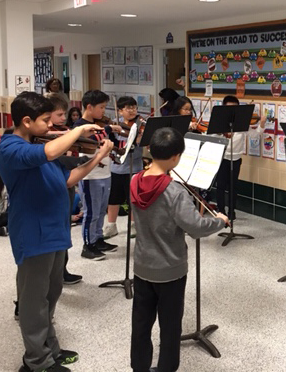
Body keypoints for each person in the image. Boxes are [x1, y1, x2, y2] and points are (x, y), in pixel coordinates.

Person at [0, 91, 113, 372]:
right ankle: (37, 361)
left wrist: (97, 157)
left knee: (52, 292)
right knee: (33, 300)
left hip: (55, 229)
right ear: (25, 121)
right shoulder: (10, 148)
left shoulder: (37, 141)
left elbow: (66, 179)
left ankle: (50, 349)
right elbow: (48, 152)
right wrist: (80, 128)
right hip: (34, 233)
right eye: (46, 120)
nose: (50, 126)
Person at [129, 127, 228, 372]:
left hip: (142, 266)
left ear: (150, 150)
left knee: (141, 324)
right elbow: (195, 228)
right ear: (176, 157)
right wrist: (220, 221)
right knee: (170, 326)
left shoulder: (134, 180)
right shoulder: (175, 192)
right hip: (170, 270)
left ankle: (139, 367)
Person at [75, 90, 121, 261]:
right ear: (89, 107)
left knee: (101, 210)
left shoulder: (98, 124)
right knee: (91, 212)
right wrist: (108, 128)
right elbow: (92, 141)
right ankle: (88, 245)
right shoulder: (79, 126)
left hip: (105, 173)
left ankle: (98, 239)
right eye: (101, 107)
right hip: (90, 175)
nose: (103, 111)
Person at [48, 93, 84, 284]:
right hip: (56, 184)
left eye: (65, 114)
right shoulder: (46, 136)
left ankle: (62, 269)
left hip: (68, 183)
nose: (64, 119)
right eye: (59, 115)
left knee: (65, 229)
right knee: (56, 230)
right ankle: (54, 271)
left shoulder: (67, 131)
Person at [213, 95, 265, 219]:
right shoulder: (219, 122)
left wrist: (261, 125)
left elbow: (254, 135)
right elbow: (212, 136)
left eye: (235, 109)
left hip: (236, 159)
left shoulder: (242, 123)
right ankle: (221, 211)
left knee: (233, 186)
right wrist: (222, 134)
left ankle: (232, 211)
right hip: (221, 158)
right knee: (220, 186)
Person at [104, 96, 144, 239]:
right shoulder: (115, 126)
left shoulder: (140, 126)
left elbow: (143, 144)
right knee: (113, 198)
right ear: (120, 111)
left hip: (134, 168)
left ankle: (133, 224)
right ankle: (111, 226)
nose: (132, 110)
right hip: (116, 168)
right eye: (128, 108)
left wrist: (139, 137)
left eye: (134, 107)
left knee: (133, 198)